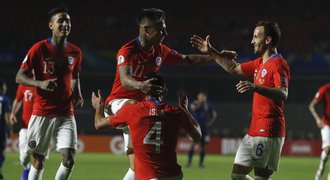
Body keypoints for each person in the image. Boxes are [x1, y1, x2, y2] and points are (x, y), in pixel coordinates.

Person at [104, 8, 214, 179]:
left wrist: (217, 57)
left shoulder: (160, 51)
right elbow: (125, 80)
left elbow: (187, 59)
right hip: (118, 104)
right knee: (137, 107)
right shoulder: (127, 51)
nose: (165, 33)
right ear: (147, 29)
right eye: (161, 29)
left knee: (136, 167)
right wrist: (141, 85)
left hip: (140, 113)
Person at [191, 21, 290, 179]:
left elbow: (283, 93)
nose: (252, 41)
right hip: (253, 130)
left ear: (268, 40)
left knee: (261, 177)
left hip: (269, 130)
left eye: (256, 36)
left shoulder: (278, 64)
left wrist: (255, 87)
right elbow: (233, 68)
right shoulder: (259, 63)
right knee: (237, 175)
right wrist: (211, 52)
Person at [15, 6, 83, 180]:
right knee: (38, 161)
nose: (65, 24)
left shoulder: (75, 52)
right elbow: (19, 76)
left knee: (69, 160)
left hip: (66, 113)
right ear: (51, 25)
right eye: (60, 20)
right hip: (42, 112)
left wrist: (78, 93)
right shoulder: (38, 49)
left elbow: (74, 75)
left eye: (68, 20)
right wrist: (40, 83)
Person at [92, 74, 202, 180]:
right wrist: (184, 109)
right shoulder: (176, 112)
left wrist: (98, 107)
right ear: (165, 92)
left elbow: (99, 124)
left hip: (149, 176)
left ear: (143, 90)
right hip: (174, 175)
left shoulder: (133, 110)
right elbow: (197, 136)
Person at [9, 82, 36, 180]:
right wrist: (12, 113)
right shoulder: (24, 84)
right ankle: (26, 168)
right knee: (24, 158)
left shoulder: (44, 84)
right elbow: (18, 99)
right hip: (25, 127)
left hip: (39, 127)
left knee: (38, 159)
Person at [186, 90, 217, 168]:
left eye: (204, 96)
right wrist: (200, 103)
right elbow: (193, 109)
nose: (203, 97)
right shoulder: (194, 103)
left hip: (204, 128)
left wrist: (210, 122)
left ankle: (201, 163)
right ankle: (189, 163)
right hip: (195, 128)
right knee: (192, 144)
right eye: (201, 96)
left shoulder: (208, 105)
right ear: (198, 96)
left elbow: (214, 114)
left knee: (203, 146)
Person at [309, 83, 330, 180]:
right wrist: (317, 119)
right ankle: (320, 171)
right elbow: (311, 106)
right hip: (326, 124)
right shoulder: (325, 89)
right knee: (327, 149)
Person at [0, 80, 11, 180]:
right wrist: (9, 128)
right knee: (2, 151)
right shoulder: (5, 99)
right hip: (1, 129)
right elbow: (7, 116)